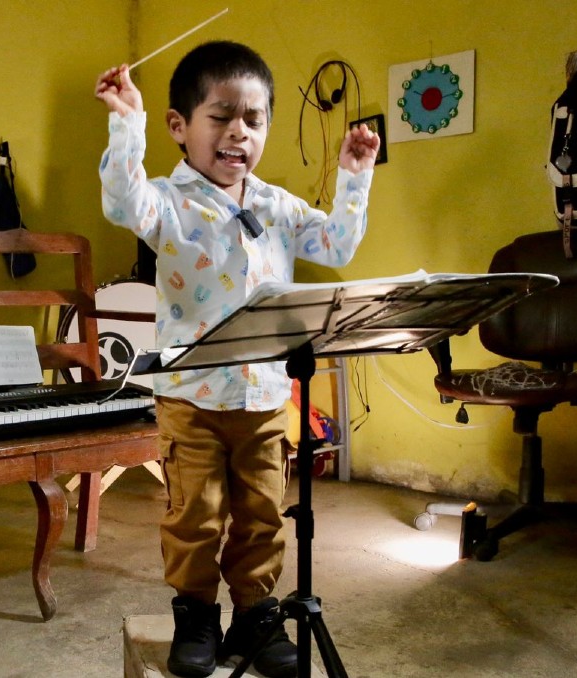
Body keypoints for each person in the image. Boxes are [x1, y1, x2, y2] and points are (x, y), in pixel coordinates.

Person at [95, 41, 379, 678]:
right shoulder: (167, 202)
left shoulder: (276, 205)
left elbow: (336, 247)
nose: (237, 134)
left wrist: (355, 177)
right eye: (220, 117)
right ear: (180, 127)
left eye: (253, 120)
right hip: (191, 399)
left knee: (261, 510)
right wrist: (126, 120)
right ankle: (195, 613)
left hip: (265, 398)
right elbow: (121, 201)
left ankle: (255, 610)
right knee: (194, 514)